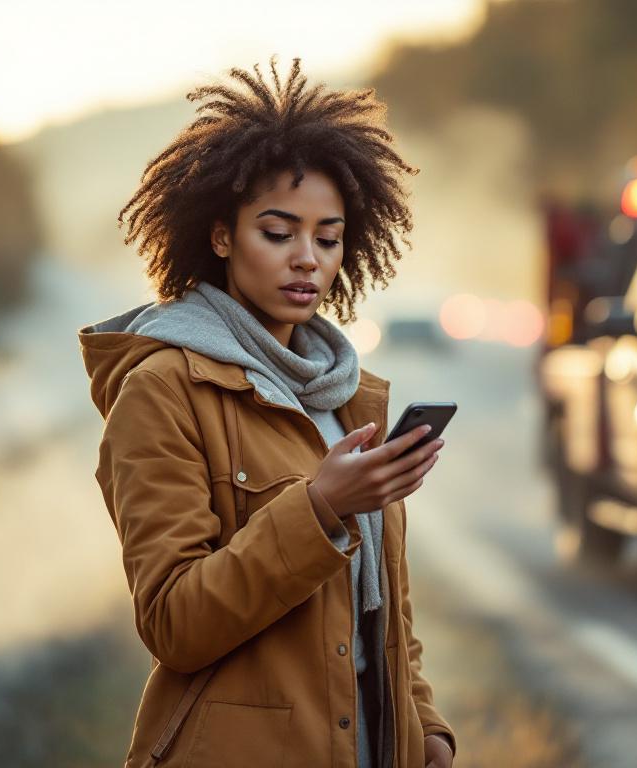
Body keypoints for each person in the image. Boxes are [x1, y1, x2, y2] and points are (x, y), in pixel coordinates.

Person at [78, 57, 457, 767]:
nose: (307, 259)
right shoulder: (161, 390)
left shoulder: (342, 393)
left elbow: (382, 609)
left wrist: (425, 726)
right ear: (221, 236)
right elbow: (174, 621)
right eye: (278, 233)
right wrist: (319, 508)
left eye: (328, 236)